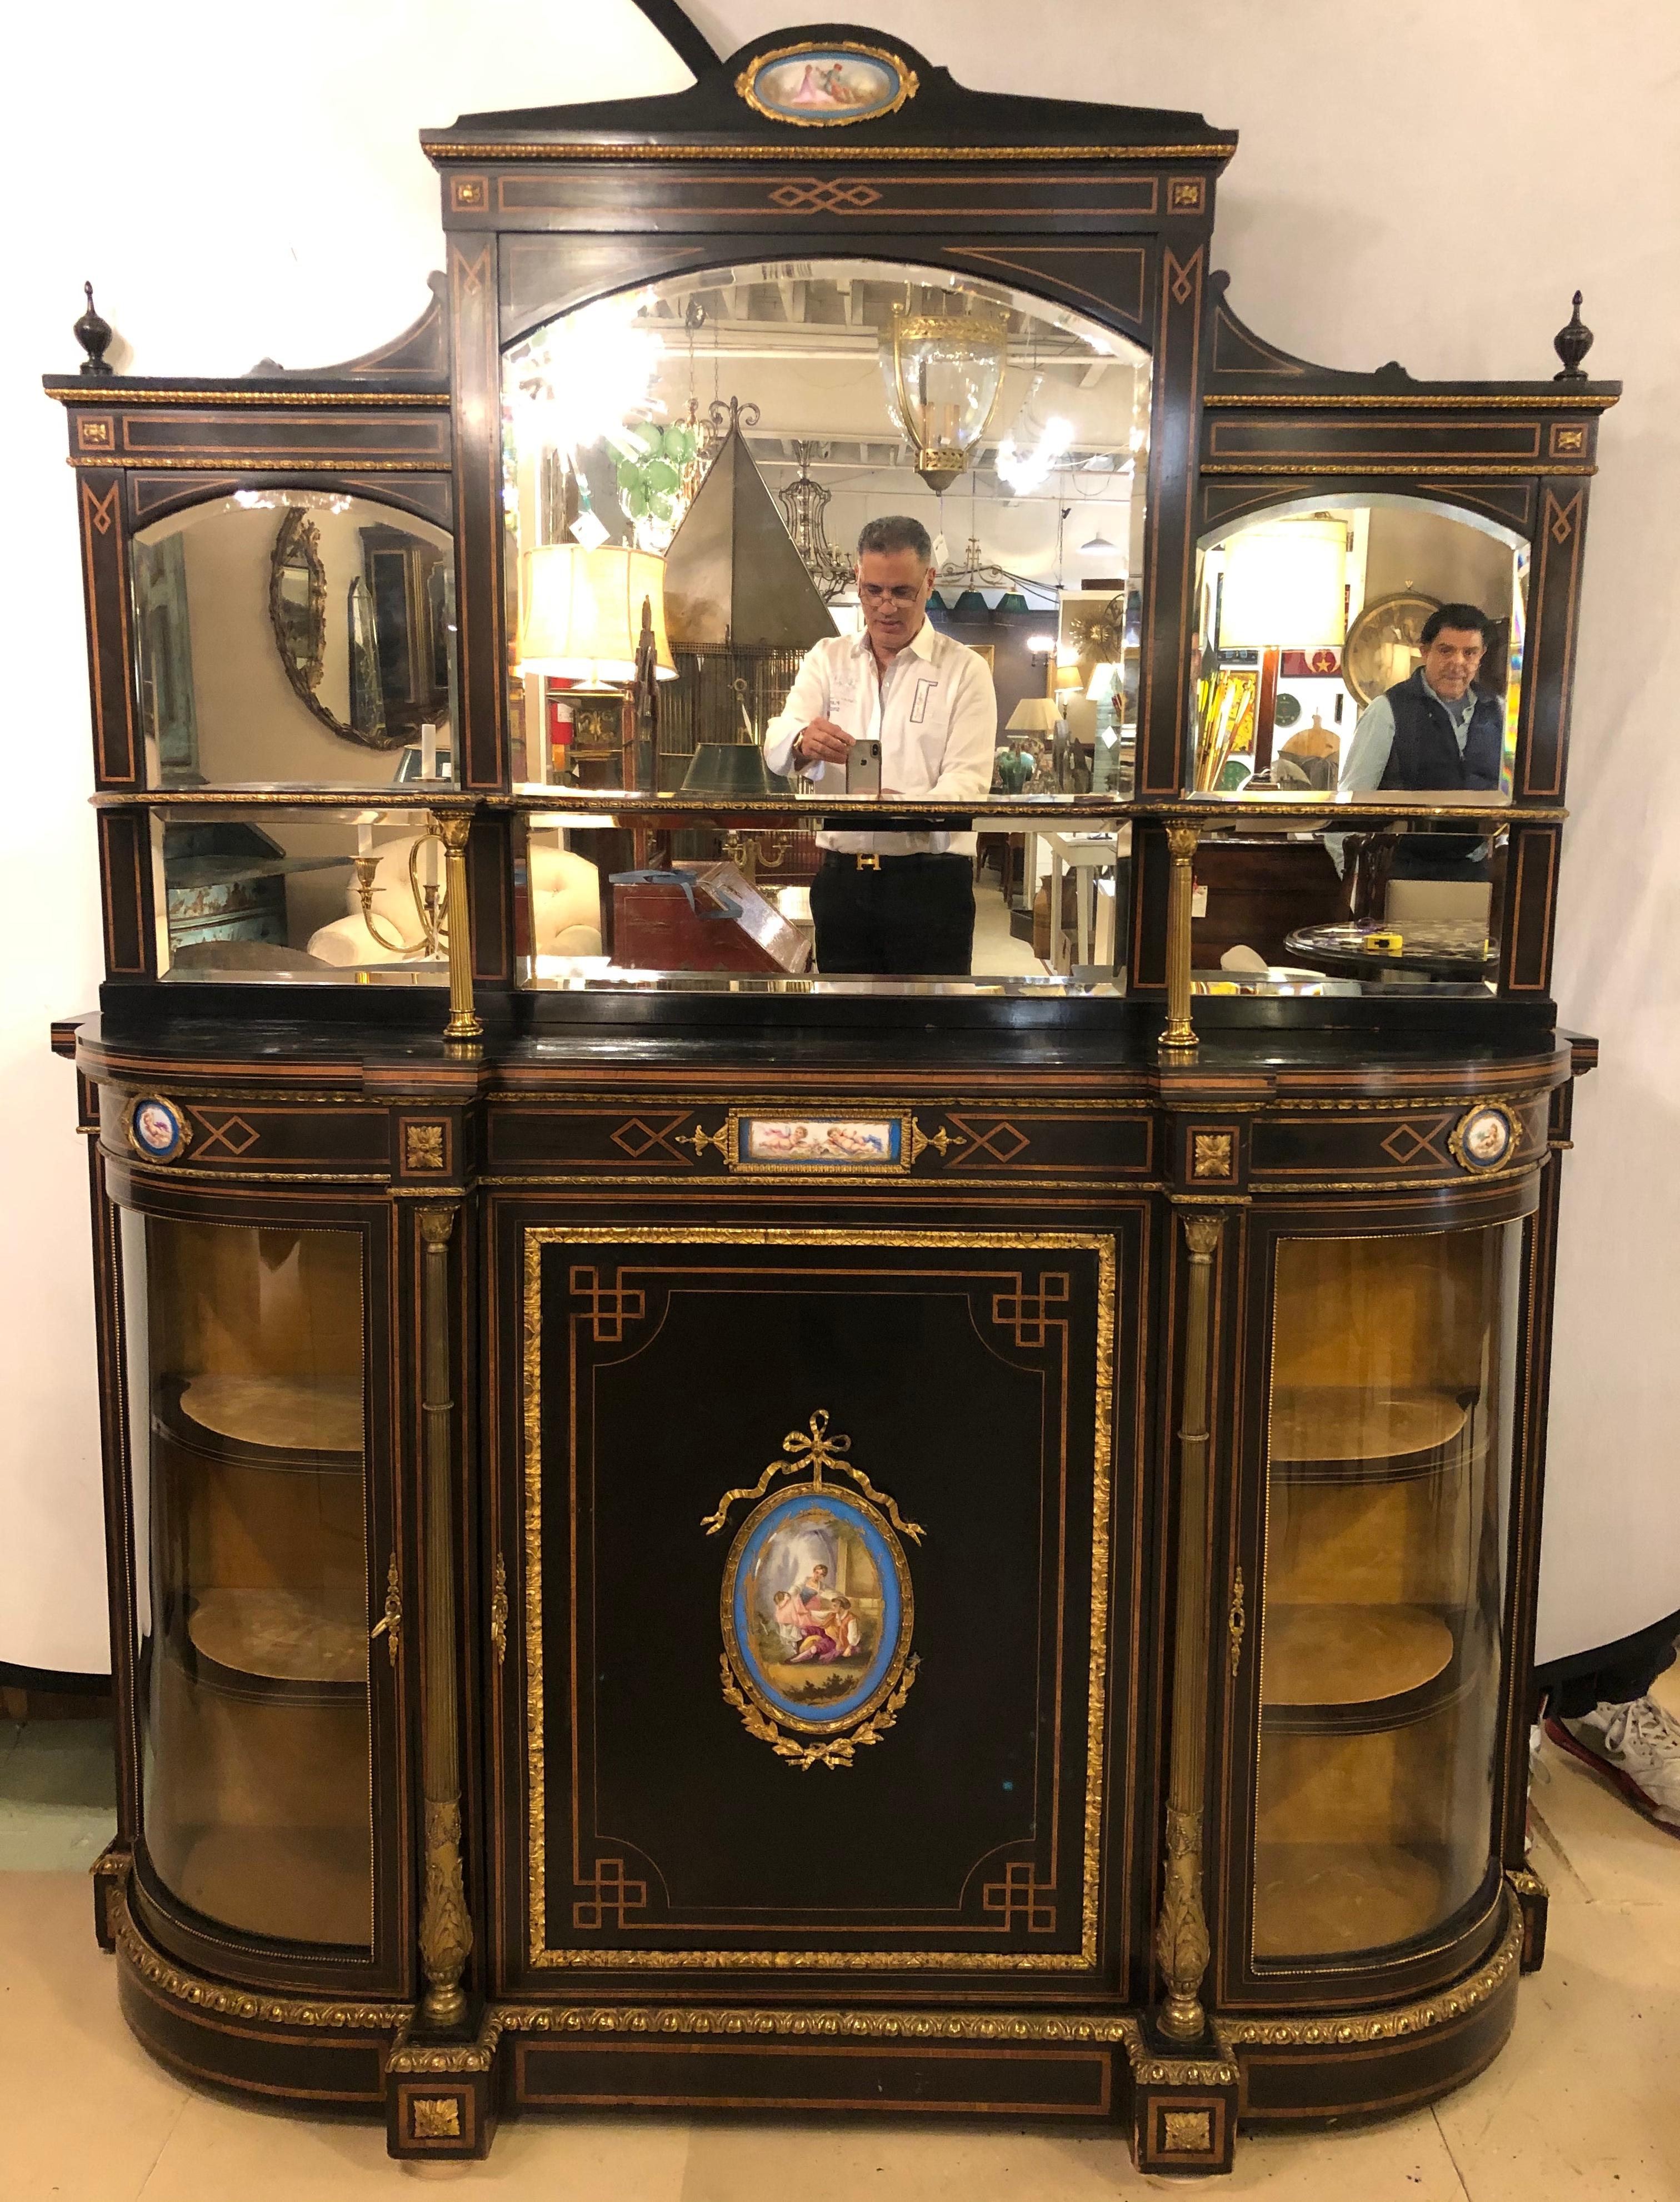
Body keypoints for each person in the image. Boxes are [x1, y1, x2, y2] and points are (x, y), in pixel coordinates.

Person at [762, 515, 997, 974]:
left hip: (931, 883)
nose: (886, 607)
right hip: (841, 880)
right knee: (844, 1029)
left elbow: (968, 786)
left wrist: (903, 809)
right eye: (873, 591)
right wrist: (801, 741)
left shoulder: (965, 671)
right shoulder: (827, 659)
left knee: (931, 1029)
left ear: (929, 582)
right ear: (857, 579)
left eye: (902, 592)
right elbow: (775, 746)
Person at [1338, 602, 1505, 880]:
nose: (1458, 663)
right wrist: (1353, 882)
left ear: (1482, 655)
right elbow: (1351, 802)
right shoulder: (1387, 710)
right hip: (1400, 872)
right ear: (1425, 651)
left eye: (1470, 652)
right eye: (1446, 650)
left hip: (1477, 871)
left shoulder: (1498, 711)